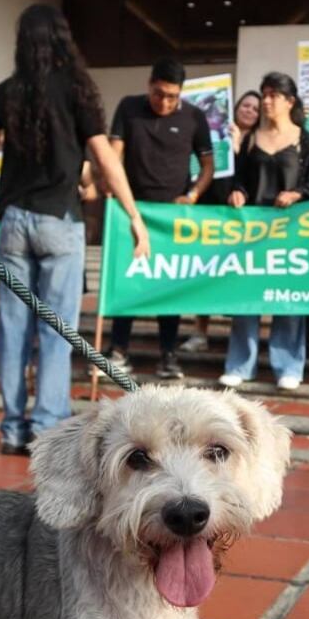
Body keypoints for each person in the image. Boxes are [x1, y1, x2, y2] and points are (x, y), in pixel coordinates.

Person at [0, 4, 149, 456]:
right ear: (62, 38)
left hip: (14, 219)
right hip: (59, 218)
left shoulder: (5, 92)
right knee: (56, 330)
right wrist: (134, 215)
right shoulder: (78, 88)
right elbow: (103, 157)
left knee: (13, 328)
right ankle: (46, 428)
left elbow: (7, 141)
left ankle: (11, 428)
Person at [106, 57, 214, 379]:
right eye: (158, 93)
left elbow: (208, 165)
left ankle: (168, 355)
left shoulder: (195, 116)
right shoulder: (128, 108)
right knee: (127, 282)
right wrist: (112, 189)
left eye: (172, 96)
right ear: (148, 84)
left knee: (170, 286)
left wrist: (193, 195)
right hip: (132, 213)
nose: (164, 102)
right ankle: (118, 350)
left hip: (172, 217)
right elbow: (114, 155)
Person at [219, 73, 309, 391]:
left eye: (273, 95)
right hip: (252, 232)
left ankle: (289, 365)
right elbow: (239, 179)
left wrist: (297, 194)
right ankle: (240, 364)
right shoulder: (251, 139)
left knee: (287, 298)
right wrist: (237, 192)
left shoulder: (306, 140)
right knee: (245, 297)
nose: (266, 101)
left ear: (290, 102)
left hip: (291, 232)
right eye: (264, 94)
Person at [182, 89, 261, 354]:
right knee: (205, 272)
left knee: (237, 277)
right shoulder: (216, 132)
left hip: (239, 217)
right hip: (209, 209)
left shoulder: (258, 141)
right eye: (246, 105)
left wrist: (237, 149)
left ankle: (237, 341)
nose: (249, 110)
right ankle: (199, 331)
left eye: (255, 108)